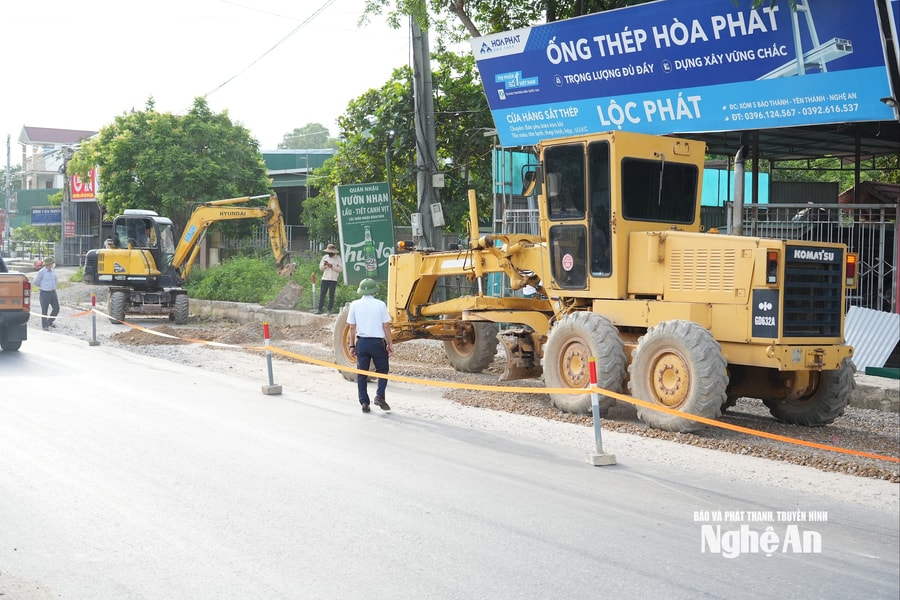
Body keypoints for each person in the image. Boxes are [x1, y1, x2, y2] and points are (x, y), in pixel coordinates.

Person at [347, 278, 393, 413]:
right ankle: (379, 395)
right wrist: (390, 343)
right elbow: (386, 326)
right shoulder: (380, 305)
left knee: (362, 373)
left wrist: (351, 346)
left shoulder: (354, 305)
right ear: (374, 291)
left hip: (362, 343)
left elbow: (352, 328)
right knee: (383, 371)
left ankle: (364, 402)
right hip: (377, 343)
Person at [33, 256, 60, 331]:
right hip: (44, 293)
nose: (53, 265)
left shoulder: (53, 271)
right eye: (52, 264)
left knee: (56, 308)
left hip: (53, 292)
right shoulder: (42, 272)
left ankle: (49, 322)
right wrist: (43, 286)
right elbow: (35, 282)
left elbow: (55, 280)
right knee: (44, 310)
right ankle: (45, 325)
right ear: (48, 264)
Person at [316, 243, 343, 315]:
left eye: (330, 252)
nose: (329, 253)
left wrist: (332, 266)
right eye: (328, 252)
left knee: (331, 295)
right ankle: (319, 309)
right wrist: (325, 265)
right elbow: (320, 268)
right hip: (325, 278)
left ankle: (329, 309)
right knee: (322, 294)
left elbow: (340, 269)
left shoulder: (338, 258)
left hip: (333, 279)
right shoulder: (325, 257)